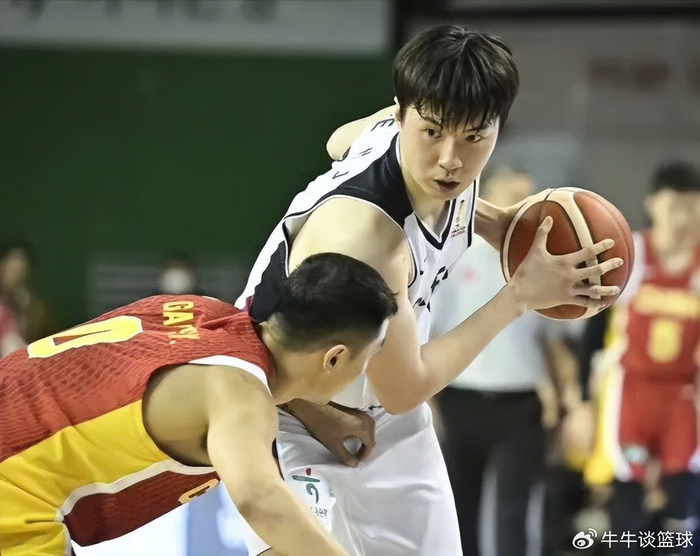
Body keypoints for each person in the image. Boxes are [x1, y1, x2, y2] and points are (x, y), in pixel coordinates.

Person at [236, 25, 622, 555]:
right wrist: (518, 296)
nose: (450, 159)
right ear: (401, 115)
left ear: (496, 129)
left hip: (386, 417)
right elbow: (407, 385)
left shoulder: (420, 146)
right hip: (291, 409)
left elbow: (338, 141)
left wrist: (499, 225)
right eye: (433, 132)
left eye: (473, 138)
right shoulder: (369, 241)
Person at [0, 253, 398, 556]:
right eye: (371, 354)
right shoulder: (240, 399)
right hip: (14, 496)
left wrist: (314, 410)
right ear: (335, 358)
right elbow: (260, 500)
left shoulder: (204, 311)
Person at [430, 168, 579, 556]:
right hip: (461, 397)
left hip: (521, 402)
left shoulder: (540, 269)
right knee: (459, 505)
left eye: (529, 202)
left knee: (515, 509)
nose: (522, 212)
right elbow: (431, 336)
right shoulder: (455, 259)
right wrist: (429, 404)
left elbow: (553, 346)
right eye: (514, 199)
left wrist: (568, 403)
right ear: (489, 202)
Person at [580, 162, 700, 556]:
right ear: (653, 205)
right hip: (632, 395)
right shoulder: (630, 255)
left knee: (681, 511)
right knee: (628, 510)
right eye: (674, 207)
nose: (682, 219)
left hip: (685, 399)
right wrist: (583, 401)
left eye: (691, 208)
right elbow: (592, 334)